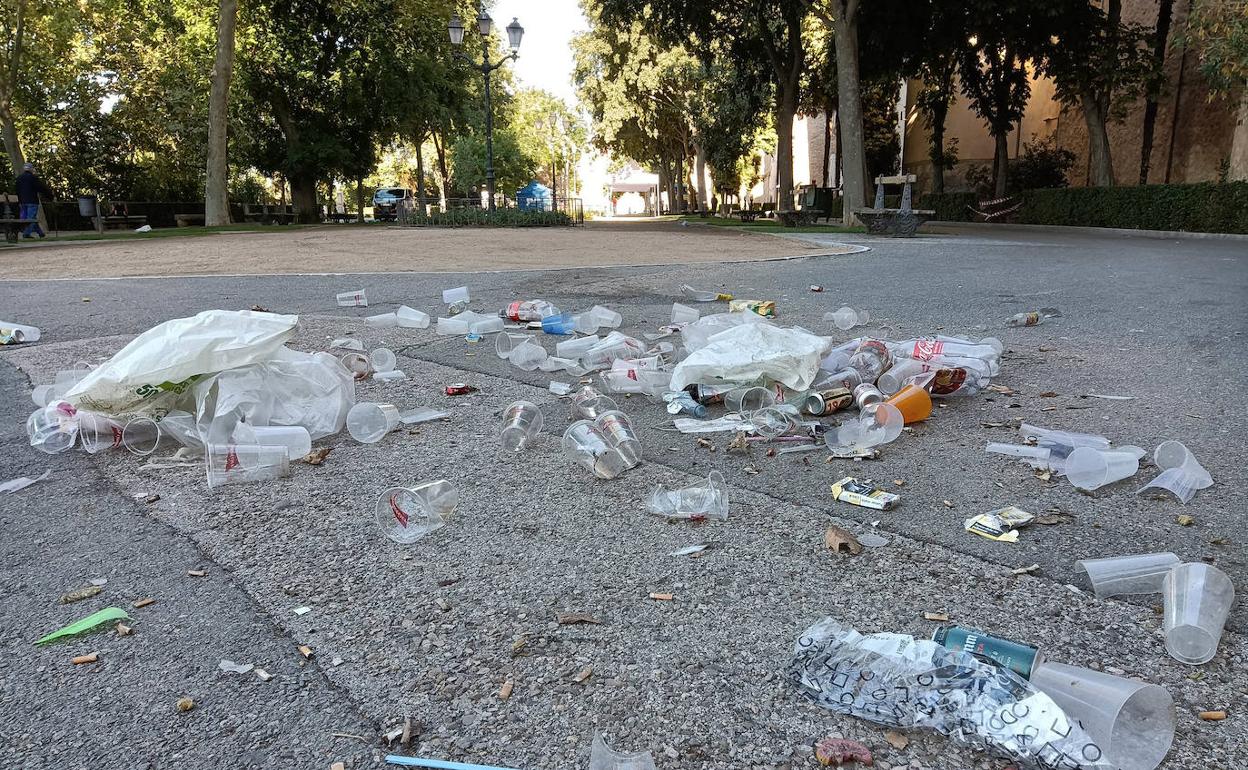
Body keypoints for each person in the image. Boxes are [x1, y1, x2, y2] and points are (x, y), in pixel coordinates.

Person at [15, 162, 51, 238]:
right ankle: (26, 233)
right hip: (32, 201)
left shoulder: (19, 178)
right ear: (31, 169)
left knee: (32, 218)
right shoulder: (33, 178)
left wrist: (20, 200)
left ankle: (40, 233)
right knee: (31, 218)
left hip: (22, 201)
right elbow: (41, 188)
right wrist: (50, 197)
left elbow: (17, 190)